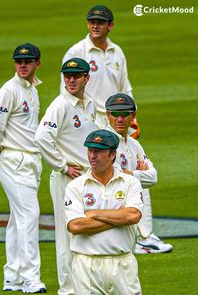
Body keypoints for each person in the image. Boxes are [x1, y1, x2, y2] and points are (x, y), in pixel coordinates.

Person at [0, 43, 46, 293]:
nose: (22, 65)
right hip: (14, 162)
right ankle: (31, 279)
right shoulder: (9, 90)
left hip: (30, 162)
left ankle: (12, 277)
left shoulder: (32, 89)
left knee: (17, 220)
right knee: (30, 216)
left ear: (37, 64)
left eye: (28, 61)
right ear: (14, 64)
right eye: (19, 61)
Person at [35, 58, 97, 295]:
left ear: (86, 78)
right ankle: (68, 290)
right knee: (66, 233)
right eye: (67, 76)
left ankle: (84, 286)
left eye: (77, 76)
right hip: (66, 179)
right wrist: (62, 166)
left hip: (85, 177)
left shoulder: (89, 103)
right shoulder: (60, 105)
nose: (71, 80)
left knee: (85, 232)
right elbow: (42, 137)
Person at [64, 129, 144, 295]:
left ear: (112, 155)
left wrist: (93, 213)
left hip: (123, 264)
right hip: (87, 265)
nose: (92, 156)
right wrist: (118, 217)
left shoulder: (131, 183)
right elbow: (76, 226)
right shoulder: (75, 186)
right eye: (90, 150)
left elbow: (133, 215)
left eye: (99, 151)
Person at [105, 92, 173, 254]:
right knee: (136, 183)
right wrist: (136, 174)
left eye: (125, 114)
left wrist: (131, 174)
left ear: (133, 116)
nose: (119, 119)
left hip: (124, 202)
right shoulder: (105, 141)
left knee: (138, 183)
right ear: (108, 115)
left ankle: (143, 238)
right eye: (115, 114)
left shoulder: (134, 144)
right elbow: (112, 175)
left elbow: (153, 177)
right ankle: (141, 239)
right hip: (109, 202)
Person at [61, 4, 140, 137]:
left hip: (114, 117)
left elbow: (124, 87)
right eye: (92, 22)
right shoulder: (76, 52)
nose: (95, 26)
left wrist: (132, 115)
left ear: (110, 26)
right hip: (89, 117)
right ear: (87, 24)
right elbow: (66, 90)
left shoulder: (117, 52)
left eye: (100, 23)